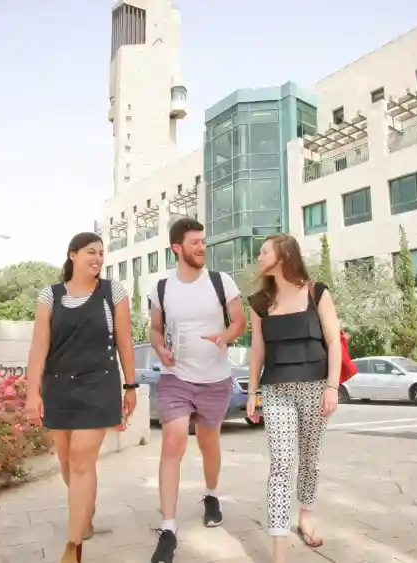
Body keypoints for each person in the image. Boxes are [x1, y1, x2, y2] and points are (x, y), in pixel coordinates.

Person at [24, 232, 139, 563]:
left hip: (98, 385)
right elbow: (39, 347)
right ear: (72, 255)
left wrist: (130, 386)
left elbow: (125, 342)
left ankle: (74, 546)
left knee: (80, 460)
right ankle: (84, 511)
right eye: (91, 252)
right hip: (58, 386)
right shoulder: (51, 296)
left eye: (102, 253)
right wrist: (33, 392)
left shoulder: (112, 292)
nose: (98, 258)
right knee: (66, 462)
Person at [147, 218, 247, 563]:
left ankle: (211, 494)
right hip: (176, 377)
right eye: (195, 243)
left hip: (216, 379)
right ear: (177, 248)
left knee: (208, 442)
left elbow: (239, 320)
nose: (202, 247)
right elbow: (155, 330)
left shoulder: (221, 282)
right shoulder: (161, 288)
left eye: (203, 242)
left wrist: (226, 337)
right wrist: (160, 349)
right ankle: (169, 528)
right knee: (173, 442)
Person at [245, 233, 342, 563]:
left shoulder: (317, 292)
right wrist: (253, 391)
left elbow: (334, 342)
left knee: (310, 458)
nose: (258, 257)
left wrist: (332, 387)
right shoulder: (259, 302)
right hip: (276, 389)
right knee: (282, 464)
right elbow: (257, 348)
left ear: (283, 255)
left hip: (316, 387)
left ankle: (306, 514)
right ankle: (279, 552)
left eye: (264, 252)